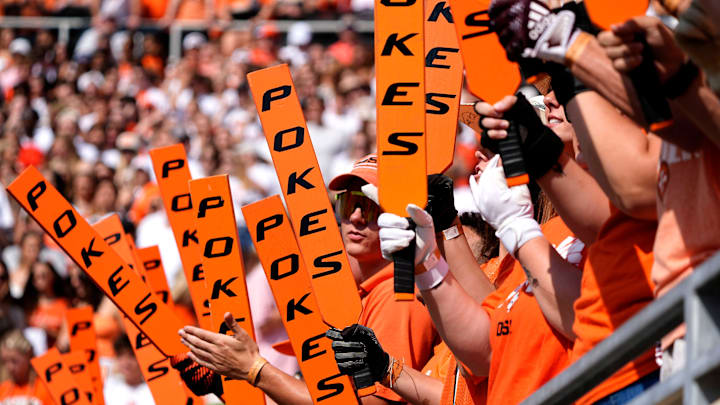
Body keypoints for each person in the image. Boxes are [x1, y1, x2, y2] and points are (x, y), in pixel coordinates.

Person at [176, 154, 439, 405]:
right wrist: (231, 382)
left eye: (371, 206)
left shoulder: (397, 297)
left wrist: (255, 370)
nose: (356, 217)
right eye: (348, 203)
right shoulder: (357, 295)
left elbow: (365, 403)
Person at [0, 329, 53, 405]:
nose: (9, 367)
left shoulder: (45, 388)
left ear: (28, 356)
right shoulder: (3, 389)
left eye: (14, 361)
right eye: (5, 361)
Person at [103, 334, 154, 405]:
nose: (126, 363)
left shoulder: (153, 392)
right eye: (120, 355)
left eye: (131, 355)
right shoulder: (109, 390)